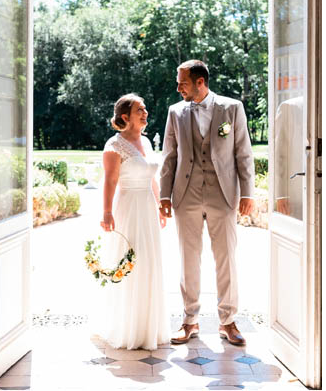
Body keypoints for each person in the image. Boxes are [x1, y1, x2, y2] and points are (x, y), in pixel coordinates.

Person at [159, 60, 255, 346]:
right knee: (189, 258)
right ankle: (190, 320)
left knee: (226, 258)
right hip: (185, 194)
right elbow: (169, 156)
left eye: (183, 83)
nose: (178, 88)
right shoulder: (175, 112)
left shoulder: (232, 108)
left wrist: (248, 192)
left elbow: (243, 152)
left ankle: (228, 321)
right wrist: (165, 195)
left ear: (200, 82)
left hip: (223, 194)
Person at [93, 94, 170, 350]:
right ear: (125, 116)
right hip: (128, 209)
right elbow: (110, 180)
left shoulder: (147, 142)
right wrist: (106, 212)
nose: (145, 112)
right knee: (130, 261)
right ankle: (127, 327)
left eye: (145, 108)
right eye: (140, 109)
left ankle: (148, 326)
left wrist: (160, 205)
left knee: (149, 262)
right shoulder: (114, 145)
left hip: (147, 208)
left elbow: (152, 179)